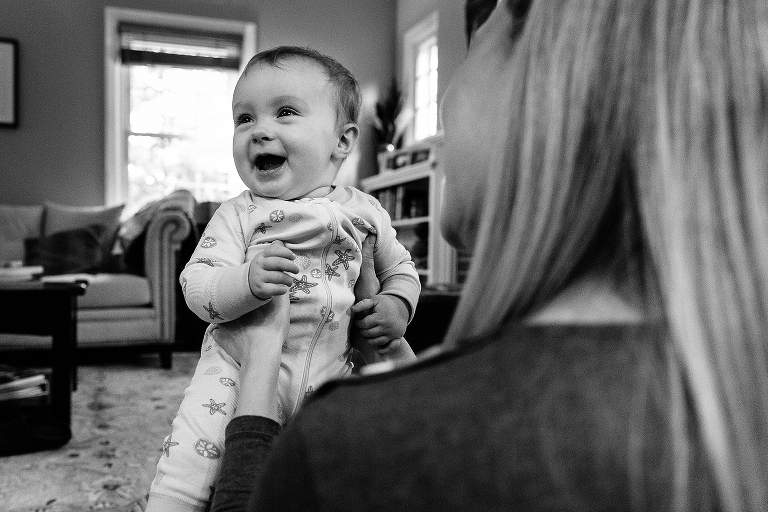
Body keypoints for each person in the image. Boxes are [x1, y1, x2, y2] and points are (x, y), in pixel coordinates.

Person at [212, 0, 768, 510]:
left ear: (544, 76)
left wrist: (263, 357)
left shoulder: (346, 447)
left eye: (476, 48)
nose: (448, 102)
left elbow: (400, 274)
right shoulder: (736, 401)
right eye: (245, 117)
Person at [145, 46, 420, 512]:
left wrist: (396, 305)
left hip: (335, 367)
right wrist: (246, 282)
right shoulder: (239, 214)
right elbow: (197, 285)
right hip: (235, 367)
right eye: (244, 118)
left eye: (285, 112)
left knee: (357, 454)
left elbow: (402, 269)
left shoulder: (366, 210)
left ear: (342, 141)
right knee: (195, 451)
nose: (259, 131)